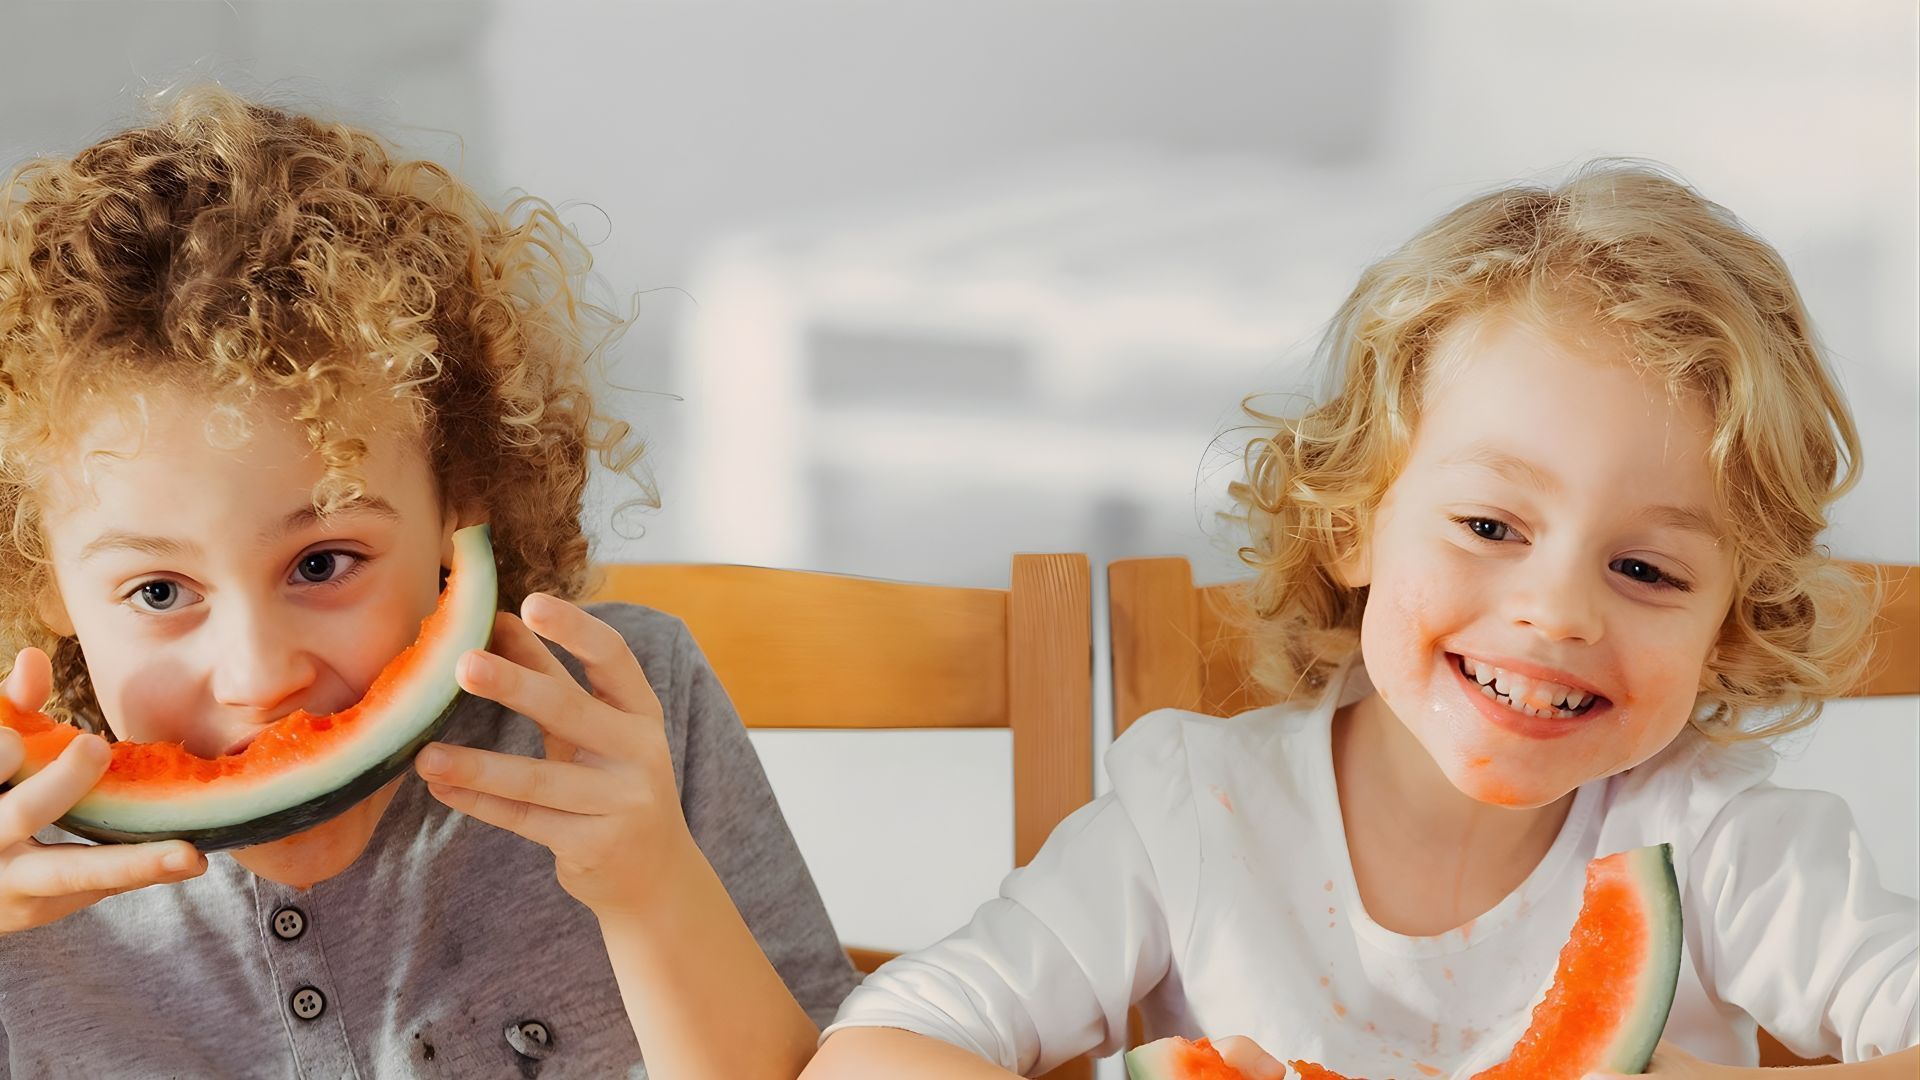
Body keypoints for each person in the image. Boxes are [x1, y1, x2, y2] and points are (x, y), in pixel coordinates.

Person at [804, 163, 1918, 1079]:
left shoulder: (1722, 844)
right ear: (1353, 523)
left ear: (1728, 625)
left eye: (1646, 569)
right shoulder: (1190, 816)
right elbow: (872, 1055)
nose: (1557, 612)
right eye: (1489, 525)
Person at [0, 84, 856, 1078]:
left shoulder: (623, 725)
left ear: (460, 507)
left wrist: (651, 886)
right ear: (44, 576)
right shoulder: (22, 870)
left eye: (323, 563)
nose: (257, 677)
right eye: (158, 592)